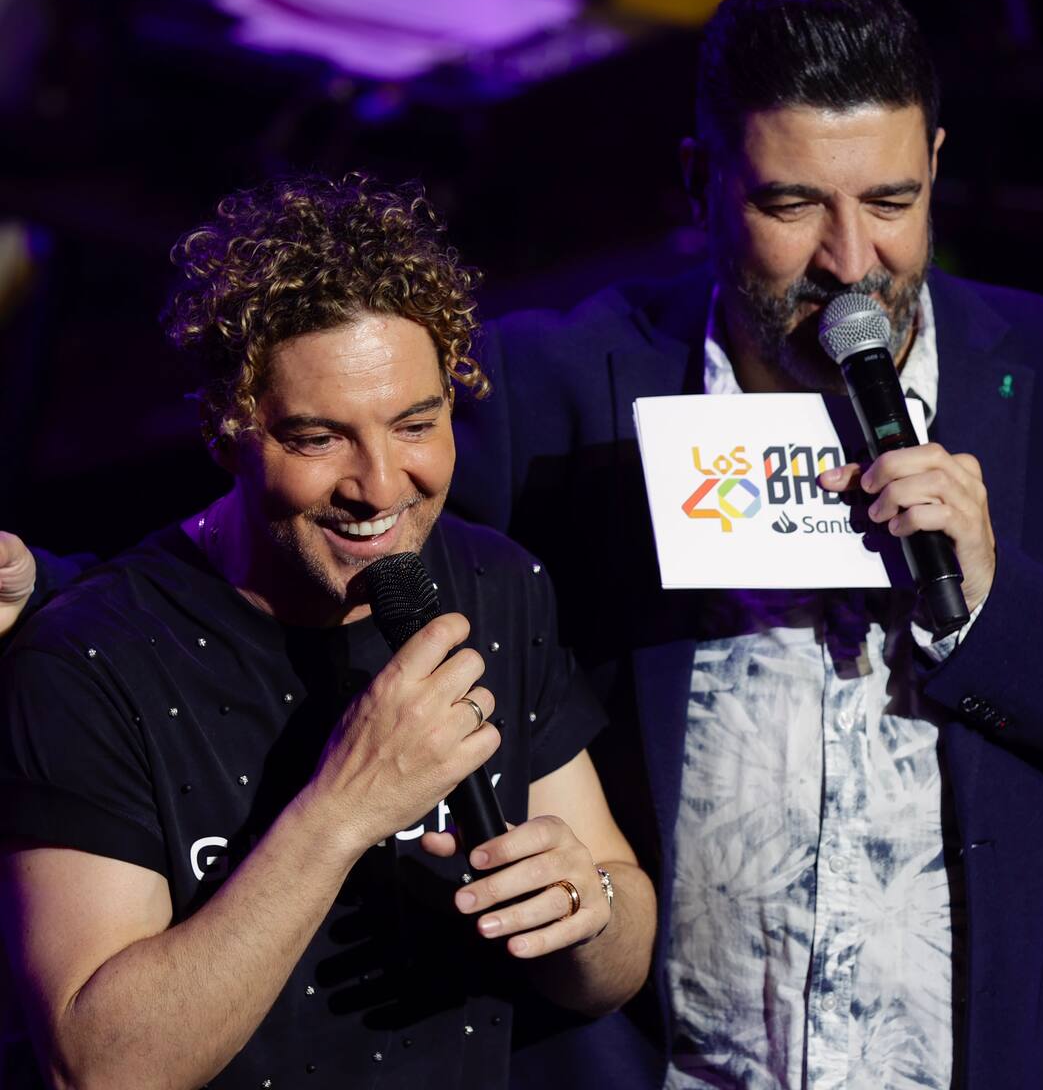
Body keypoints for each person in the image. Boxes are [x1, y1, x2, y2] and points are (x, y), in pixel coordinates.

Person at [446, 0, 1043, 1089]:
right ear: (700, 182)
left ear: (936, 163)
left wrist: (998, 607)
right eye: (792, 205)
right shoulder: (549, 392)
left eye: (891, 203)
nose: (851, 265)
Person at [0, 174, 655, 1090]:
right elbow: (99, 1070)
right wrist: (345, 806)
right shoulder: (90, 657)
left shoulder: (498, 584)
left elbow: (619, 945)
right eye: (319, 439)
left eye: (416, 424)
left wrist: (586, 913)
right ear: (226, 430)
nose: (381, 486)